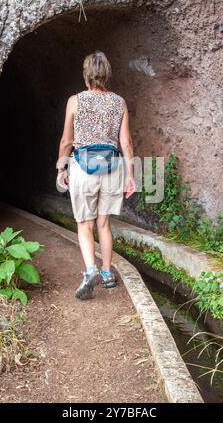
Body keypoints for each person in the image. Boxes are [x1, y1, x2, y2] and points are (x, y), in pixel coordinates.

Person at [56, 50, 135, 300]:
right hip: (112, 167)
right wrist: (130, 175)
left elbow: (67, 140)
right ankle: (107, 273)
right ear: (107, 74)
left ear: (86, 76)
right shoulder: (119, 102)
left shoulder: (75, 101)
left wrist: (61, 167)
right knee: (103, 223)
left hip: (83, 167)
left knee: (84, 224)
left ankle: (90, 270)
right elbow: (127, 142)